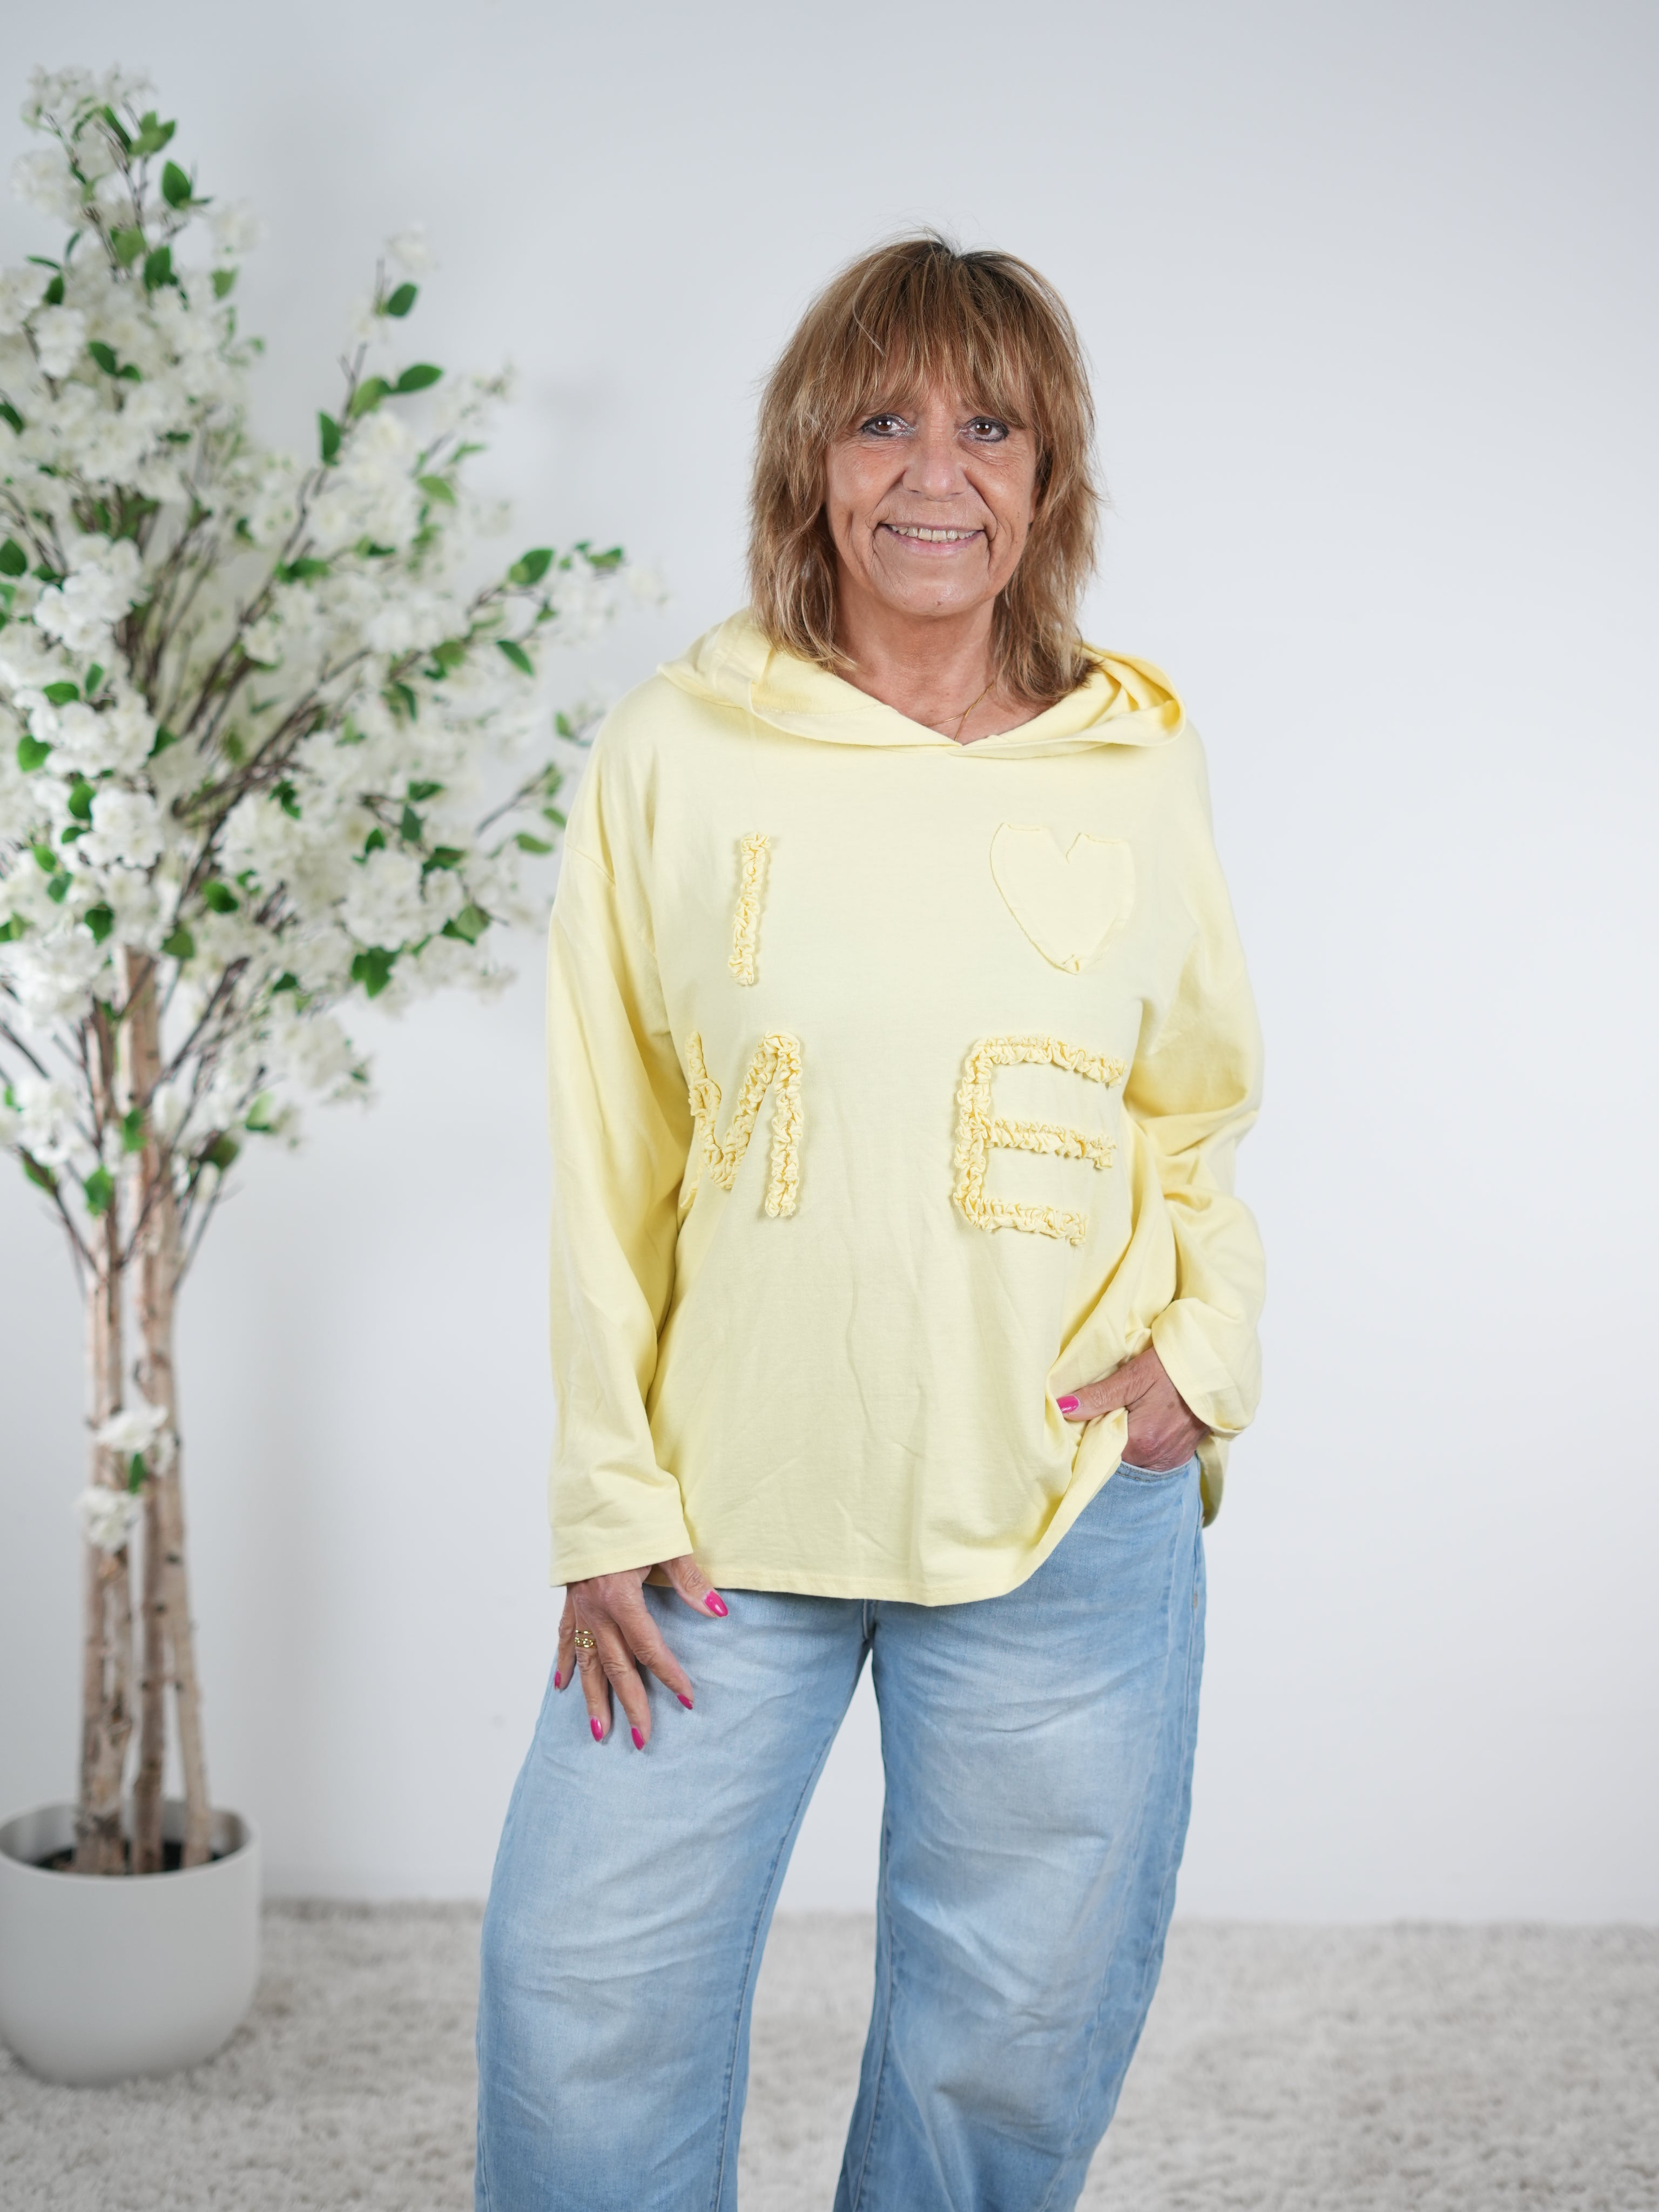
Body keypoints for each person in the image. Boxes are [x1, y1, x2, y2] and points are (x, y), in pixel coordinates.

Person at [475, 234, 1264, 2212]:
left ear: (1047, 478)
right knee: (586, 1997)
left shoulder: (1136, 760)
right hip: (720, 1513)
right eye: (884, 421)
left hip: (1067, 1497)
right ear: (807, 463)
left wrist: (1205, 1357)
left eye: (990, 426)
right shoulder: (680, 749)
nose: (936, 471)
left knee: (1006, 2045)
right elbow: (610, 1140)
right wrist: (605, 1492)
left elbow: (1194, 1110)